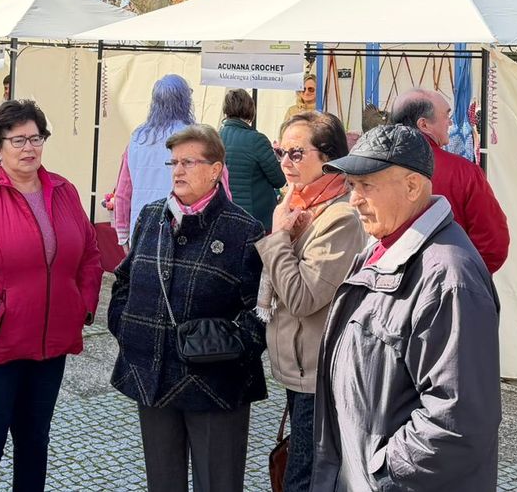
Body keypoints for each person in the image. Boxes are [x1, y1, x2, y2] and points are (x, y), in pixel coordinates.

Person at [312, 125, 501, 490]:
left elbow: (458, 422)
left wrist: (380, 472)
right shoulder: (382, 247)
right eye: (351, 185)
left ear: (413, 187)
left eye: (366, 185)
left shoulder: (449, 277)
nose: (354, 200)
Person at [108, 124, 266, 492]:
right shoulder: (151, 217)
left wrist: (226, 350)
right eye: (174, 162)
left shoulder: (244, 229)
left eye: (189, 162)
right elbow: (124, 280)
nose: (178, 171)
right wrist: (126, 327)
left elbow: (261, 311)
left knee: (217, 484)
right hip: (153, 377)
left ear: (215, 170)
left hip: (214, 384)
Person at [0, 100, 102, 492]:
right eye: (18, 139)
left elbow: (90, 255)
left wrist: (82, 306)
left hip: (50, 345)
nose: (29, 148)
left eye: (36, 138)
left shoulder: (64, 190)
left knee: (35, 442)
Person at [255, 112, 368, 492]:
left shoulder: (340, 217)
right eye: (281, 152)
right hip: (298, 365)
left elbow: (302, 298)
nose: (285, 162)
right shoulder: (297, 202)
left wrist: (277, 239)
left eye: (297, 153)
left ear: (329, 157)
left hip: (317, 373)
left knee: (303, 478)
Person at [389, 88, 510, 273]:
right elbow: (493, 244)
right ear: (424, 124)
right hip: (449, 280)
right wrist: (465, 277)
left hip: (388, 279)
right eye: (446, 115)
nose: (450, 122)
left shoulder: (375, 170)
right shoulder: (463, 172)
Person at [112, 75, 199, 248]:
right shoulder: (197, 138)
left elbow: (123, 193)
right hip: (185, 233)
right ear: (185, 100)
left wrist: (123, 236)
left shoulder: (137, 140)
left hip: (142, 231)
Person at [218, 89, 283, 231]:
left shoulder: (215, 138)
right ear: (250, 109)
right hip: (255, 218)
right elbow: (279, 180)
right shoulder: (257, 140)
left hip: (223, 215)